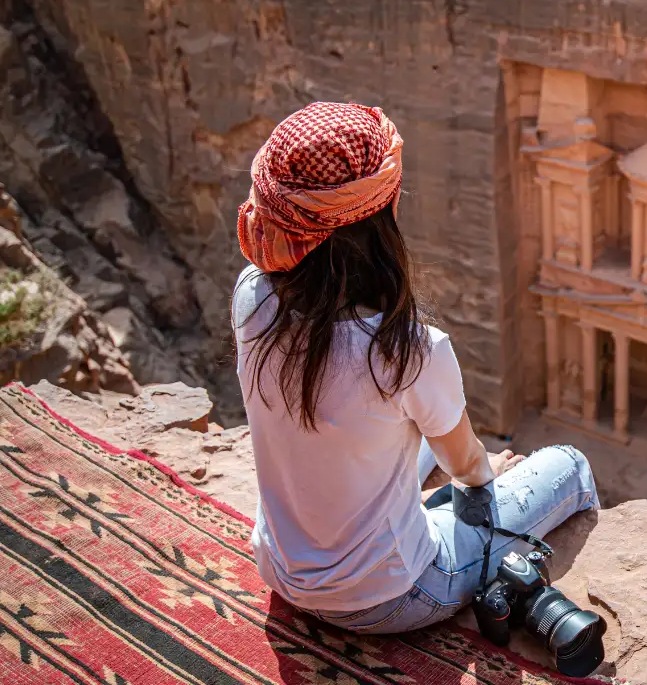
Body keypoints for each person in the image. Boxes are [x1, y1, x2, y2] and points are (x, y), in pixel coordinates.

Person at [231, 102, 598, 634]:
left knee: (398, 433)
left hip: (280, 570)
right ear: (382, 218)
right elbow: (468, 466)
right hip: (391, 595)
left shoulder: (252, 297)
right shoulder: (407, 350)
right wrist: (477, 480)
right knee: (570, 467)